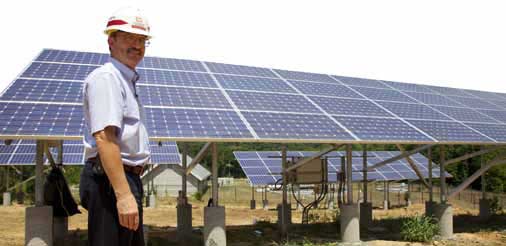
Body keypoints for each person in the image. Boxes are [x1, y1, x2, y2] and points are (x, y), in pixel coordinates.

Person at [79, 6, 152, 246]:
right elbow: (105, 138)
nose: (137, 45)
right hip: (110, 183)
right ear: (111, 41)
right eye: (129, 37)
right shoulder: (107, 78)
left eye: (141, 39)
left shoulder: (125, 80)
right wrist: (123, 195)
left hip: (121, 180)